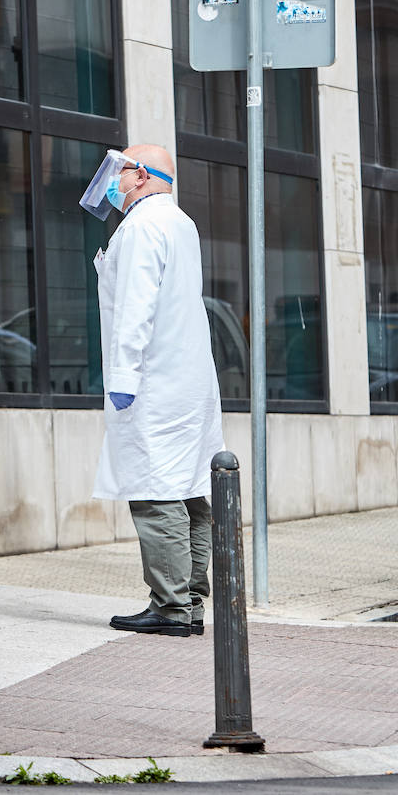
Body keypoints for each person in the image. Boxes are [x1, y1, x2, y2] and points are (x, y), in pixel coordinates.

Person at [82, 144, 223, 637]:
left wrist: (122, 381)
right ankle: (193, 600)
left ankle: (169, 607)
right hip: (190, 382)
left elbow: (135, 310)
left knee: (156, 489)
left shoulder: (141, 226)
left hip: (153, 382)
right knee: (192, 491)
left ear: (140, 175)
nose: (112, 184)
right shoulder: (181, 223)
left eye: (118, 174)